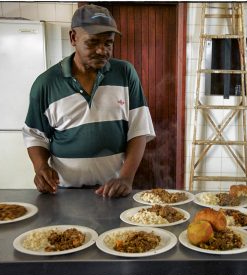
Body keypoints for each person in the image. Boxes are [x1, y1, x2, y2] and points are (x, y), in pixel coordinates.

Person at [22, 4, 155, 198]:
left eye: (108, 43)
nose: (102, 50)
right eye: (92, 42)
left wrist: (126, 178)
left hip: (112, 191)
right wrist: (40, 167)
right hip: (65, 192)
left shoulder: (125, 74)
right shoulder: (46, 83)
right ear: (73, 38)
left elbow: (139, 129)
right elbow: (35, 135)